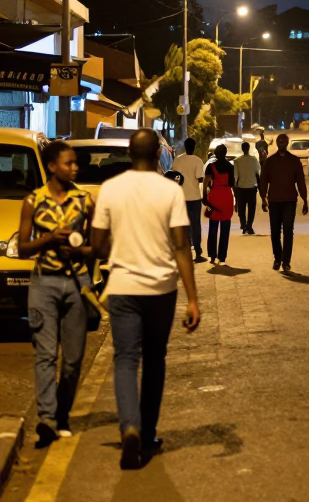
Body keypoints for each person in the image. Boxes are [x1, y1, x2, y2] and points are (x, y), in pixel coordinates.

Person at [91, 129, 200, 469]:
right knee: (155, 359)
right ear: (158, 156)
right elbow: (181, 245)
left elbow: (98, 246)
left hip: (123, 286)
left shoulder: (111, 189)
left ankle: (130, 428)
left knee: (125, 359)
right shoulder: (170, 190)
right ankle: (148, 433)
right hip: (161, 289)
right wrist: (193, 299)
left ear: (129, 153)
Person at [18, 141, 94, 448]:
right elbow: (23, 249)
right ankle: (47, 419)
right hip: (43, 283)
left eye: (76, 163)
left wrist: (78, 250)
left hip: (77, 283)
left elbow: (99, 246)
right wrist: (49, 239)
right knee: (46, 354)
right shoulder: (32, 201)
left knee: (73, 360)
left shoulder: (85, 201)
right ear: (52, 166)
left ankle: (62, 416)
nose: (75, 168)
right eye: (69, 163)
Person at [259, 132, 308, 272]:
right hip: (274, 201)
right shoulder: (270, 161)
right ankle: (277, 258)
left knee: (288, 231)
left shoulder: (294, 161)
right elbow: (263, 180)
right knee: (275, 232)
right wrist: (263, 198)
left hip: (289, 201)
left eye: (284, 142)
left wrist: (305, 199)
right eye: (280, 142)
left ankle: (286, 262)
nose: (282, 144)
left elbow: (301, 181)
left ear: (287, 144)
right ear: (277, 144)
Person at [173, 137, 205, 263]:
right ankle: (198, 253)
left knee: (184, 226)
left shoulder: (178, 160)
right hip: (195, 198)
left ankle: (186, 253)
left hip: (181, 198)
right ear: (194, 147)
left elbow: (174, 178)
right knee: (196, 225)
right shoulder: (198, 160)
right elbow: (200, 178)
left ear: (185, 147)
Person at [204, 143, 234, 265]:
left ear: (216, 154)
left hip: (215, 197)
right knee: (225, 228)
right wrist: (236, 201)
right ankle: (222, 257)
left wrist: (204, 197)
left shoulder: (211, 166)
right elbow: (232, 184)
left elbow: (205, 183)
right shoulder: (230, 167)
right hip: (227, 197)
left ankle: (212, 255)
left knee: (213, 227)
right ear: (225, 153)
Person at [234, 141, 261, 234]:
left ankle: (243, 225)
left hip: (241, 187)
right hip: (252, 187)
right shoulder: (254, 160)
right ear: (248, 148)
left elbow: (235, 176)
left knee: (241, 208)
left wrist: (235, 188)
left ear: (242, 149)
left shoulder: (237, 161)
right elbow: (258, 173)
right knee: (251, 209)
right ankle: (249, 226)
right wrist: (259, 186)